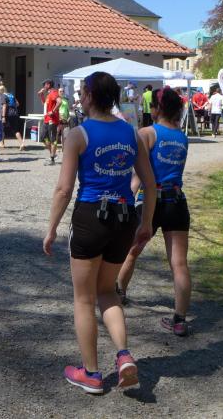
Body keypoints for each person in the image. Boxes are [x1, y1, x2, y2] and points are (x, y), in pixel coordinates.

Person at [43, 71, 156, 394]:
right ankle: (123, 356)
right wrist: (146, 223)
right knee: (107, 292)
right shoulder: (131, 133)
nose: (80, 97)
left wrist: (51, 229)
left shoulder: (78, 135)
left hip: (91, 217)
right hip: (124, 219)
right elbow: (150, 184)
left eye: (82, 92)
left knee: (83, 298)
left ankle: (91, 374)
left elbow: (64, 189)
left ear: (90, 96)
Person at [116, 87, 192, 336]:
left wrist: (126, 201)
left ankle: (119, 294)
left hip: (151, 201)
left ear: (156, 109)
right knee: (179, 263)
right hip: (176, 201)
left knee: (132, 251)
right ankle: (180, 320)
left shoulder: (146, 133)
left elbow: (139, 176)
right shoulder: (182, 137)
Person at [37, 79, 60, 165]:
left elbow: (59, 102)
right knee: (43, 137)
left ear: (48, 85)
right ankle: (53, 154)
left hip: (52, 120)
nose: (43, 86)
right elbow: (45, 104)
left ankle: (52, 159)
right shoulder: (49, 94)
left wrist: (53, 111)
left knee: (53, 139)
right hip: (46, 119)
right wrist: (41, 95)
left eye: (44, 85)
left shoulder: (53, 92)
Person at [1, 84, 25, 150]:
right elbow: (17, 104)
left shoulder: (3, 96)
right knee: (16, 130)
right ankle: (21, 143)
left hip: (7, 114)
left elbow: (4, 106)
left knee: (2, 129)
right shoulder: (11, 95)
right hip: (14, 113)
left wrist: (3, 116)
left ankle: (2, 144)